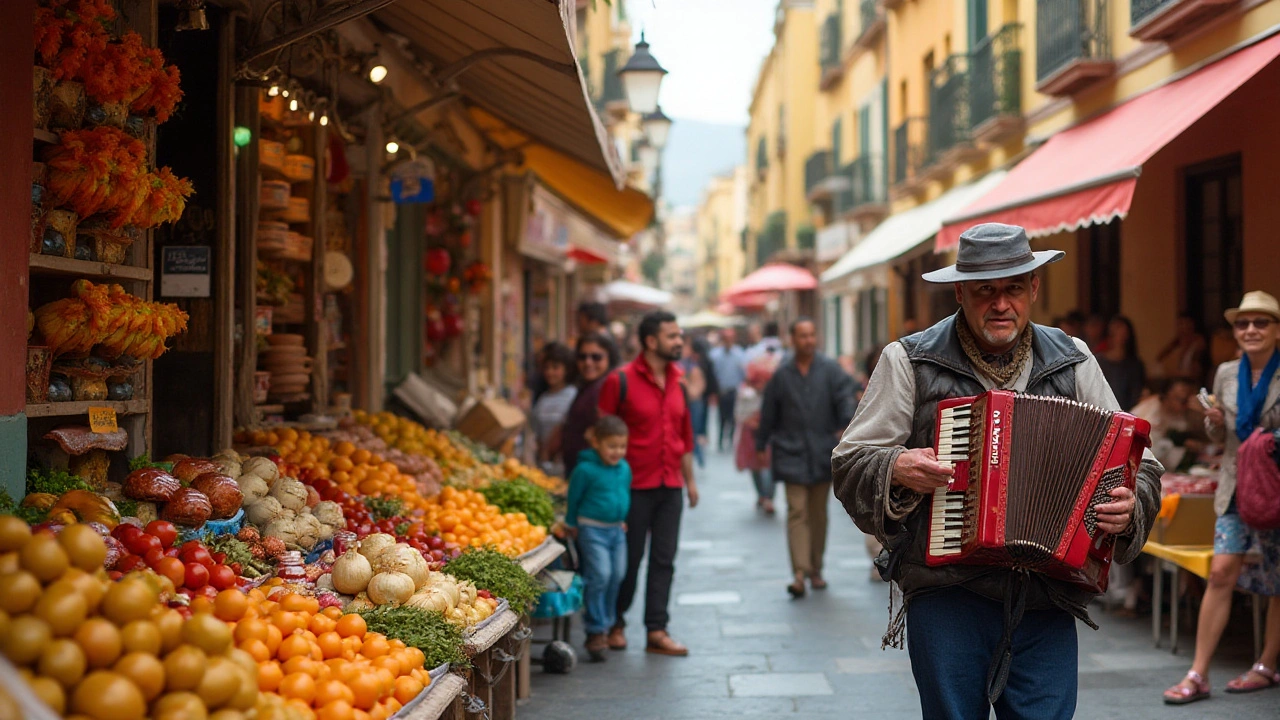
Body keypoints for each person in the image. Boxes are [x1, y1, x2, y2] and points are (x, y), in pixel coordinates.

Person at [832, 223, 1162, 719]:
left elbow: (1142, 464)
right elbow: (850, 461)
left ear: (1033, 288)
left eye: (1012, 288)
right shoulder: (909, 360)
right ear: (960, 292)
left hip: (1046, 597)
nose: (1000, 304)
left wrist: (1130, 503)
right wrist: (897, 466)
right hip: (947, 596)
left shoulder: (1073, 360)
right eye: (985, 290)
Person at [1162, 290, 1280, 705]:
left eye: (1261, 322)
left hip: (1276, 487)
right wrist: (1213, 423)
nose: (1250, 330)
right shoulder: (1227, 373)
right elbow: (1221, 434)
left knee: (1278, 581)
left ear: (1276, 330)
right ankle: (1198, 673)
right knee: (1220, 572)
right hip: (1235, 486)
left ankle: (1266, 664)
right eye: (1243, 323)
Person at [598, 310, 699, 657]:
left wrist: (691, 483)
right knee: (629, 559)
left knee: (664, 559)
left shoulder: (680, 382)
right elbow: (600, 436)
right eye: (672, 336)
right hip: (631, 487)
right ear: (651, 341)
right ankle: (615, 623)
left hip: (670, 484)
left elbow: (684, 438)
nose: (679, 341)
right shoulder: (620, 381)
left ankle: (657, 629)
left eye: (679, 334)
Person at [757, 319, 857, 598]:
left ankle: (816, 568)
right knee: (796, 512)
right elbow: (768, 412)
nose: (808, 340)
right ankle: (799, 573)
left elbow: (846, 396)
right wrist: (760, 442)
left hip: (823, 450)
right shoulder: (782, 374)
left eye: (812, 334)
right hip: (790, 452)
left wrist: (847, 422)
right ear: (792, 339)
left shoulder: (830, 370)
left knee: (818, 514)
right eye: (802, 335)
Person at [565, 414, 633, 663]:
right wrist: (571, 523)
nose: (617, 452)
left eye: (622, 446)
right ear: (597, 443)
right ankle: (595, 630)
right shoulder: (584, 470)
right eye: (612, 446)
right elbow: (574, 498)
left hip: (616, 530)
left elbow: (623, 493)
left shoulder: (624, 469)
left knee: (617, 575)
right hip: (592, 529)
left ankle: (606, 622)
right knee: (600, 575)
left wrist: (621, 516)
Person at [561, 332, 621, 479]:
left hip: (596, 478)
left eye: (596, 357)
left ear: (609, 358)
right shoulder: (586, 387)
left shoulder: (607, 387)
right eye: (582, 357)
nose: (588, 363)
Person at [1130, 377, 1205, 472]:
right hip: (1143, 465)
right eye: (1181, 399)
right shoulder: (1149, 412)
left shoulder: (1184, 411)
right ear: (1166, 395)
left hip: (1170, 466)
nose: (1185, 404)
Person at [735, 356, 779, 514]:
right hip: (751, 435)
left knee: (768, 465)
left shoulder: (773, 394)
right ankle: (762, 495)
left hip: (769, 433)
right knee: (755, 466)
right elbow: (739, 414)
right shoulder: (746, 394)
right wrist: (752, 421)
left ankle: (768, 497)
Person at [529, 342, 577, 477]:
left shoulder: (573, 396)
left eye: (555, 368)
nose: (550, 372)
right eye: (546, 368)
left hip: (563, 466)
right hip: (543, 467)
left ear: (566, 369)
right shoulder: (543, 398)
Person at [1096, 315, 1147, 411]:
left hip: (1128, 414)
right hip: (1101, 413)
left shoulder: (1135, 365)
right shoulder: (1098, 361)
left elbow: (1137, 394)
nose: (1119, 334)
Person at [709, 328, 747, 452]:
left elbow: (744, 373)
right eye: (726, 339)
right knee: (721, 418)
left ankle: (730, 440)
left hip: (734, 391)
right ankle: (720, 441)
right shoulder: (715, 354)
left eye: (730, 339)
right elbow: (712, 374)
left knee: (733, 418)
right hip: (721, 392)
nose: (728, 341)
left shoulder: (740, 354)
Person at [680, 339, 711, 468]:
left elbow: (698, 389)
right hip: (688, 403)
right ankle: (697, 455)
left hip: (693, 403)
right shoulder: (682, 365)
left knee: (693, 431)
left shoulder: (693, 366)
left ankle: (698, 455)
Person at [1156, 312, 1209, 384]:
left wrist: (1172, 374)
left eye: (1186, 324)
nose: (1183, 327)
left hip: (1192, 384)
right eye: (1180, 324)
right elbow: (1159, 357)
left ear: (1192, 325)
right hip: (1177, 383)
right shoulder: (1177, 343)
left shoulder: (1199, 343)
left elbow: (1195, 373)